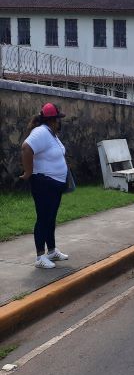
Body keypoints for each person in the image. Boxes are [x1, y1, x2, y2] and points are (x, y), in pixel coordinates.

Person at [20, 103, 70, 269]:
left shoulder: (51, 133)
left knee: (51, 219)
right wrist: (28, 172)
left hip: (54, 184)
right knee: (43, 219)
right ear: (52, 120)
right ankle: (40, 256)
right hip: (43, 183)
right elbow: (26, 148)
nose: (60, 122)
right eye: (58, 118)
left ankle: (52, 250)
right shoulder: (41, 132)